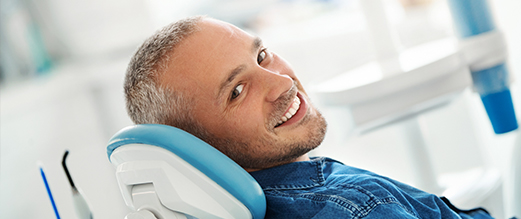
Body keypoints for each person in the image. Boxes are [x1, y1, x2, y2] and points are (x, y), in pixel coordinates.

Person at [124, 16, 493, 218]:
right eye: (237, 91)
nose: (281, 82)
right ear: (196, 149)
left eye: (262, 55)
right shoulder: (357, 209)